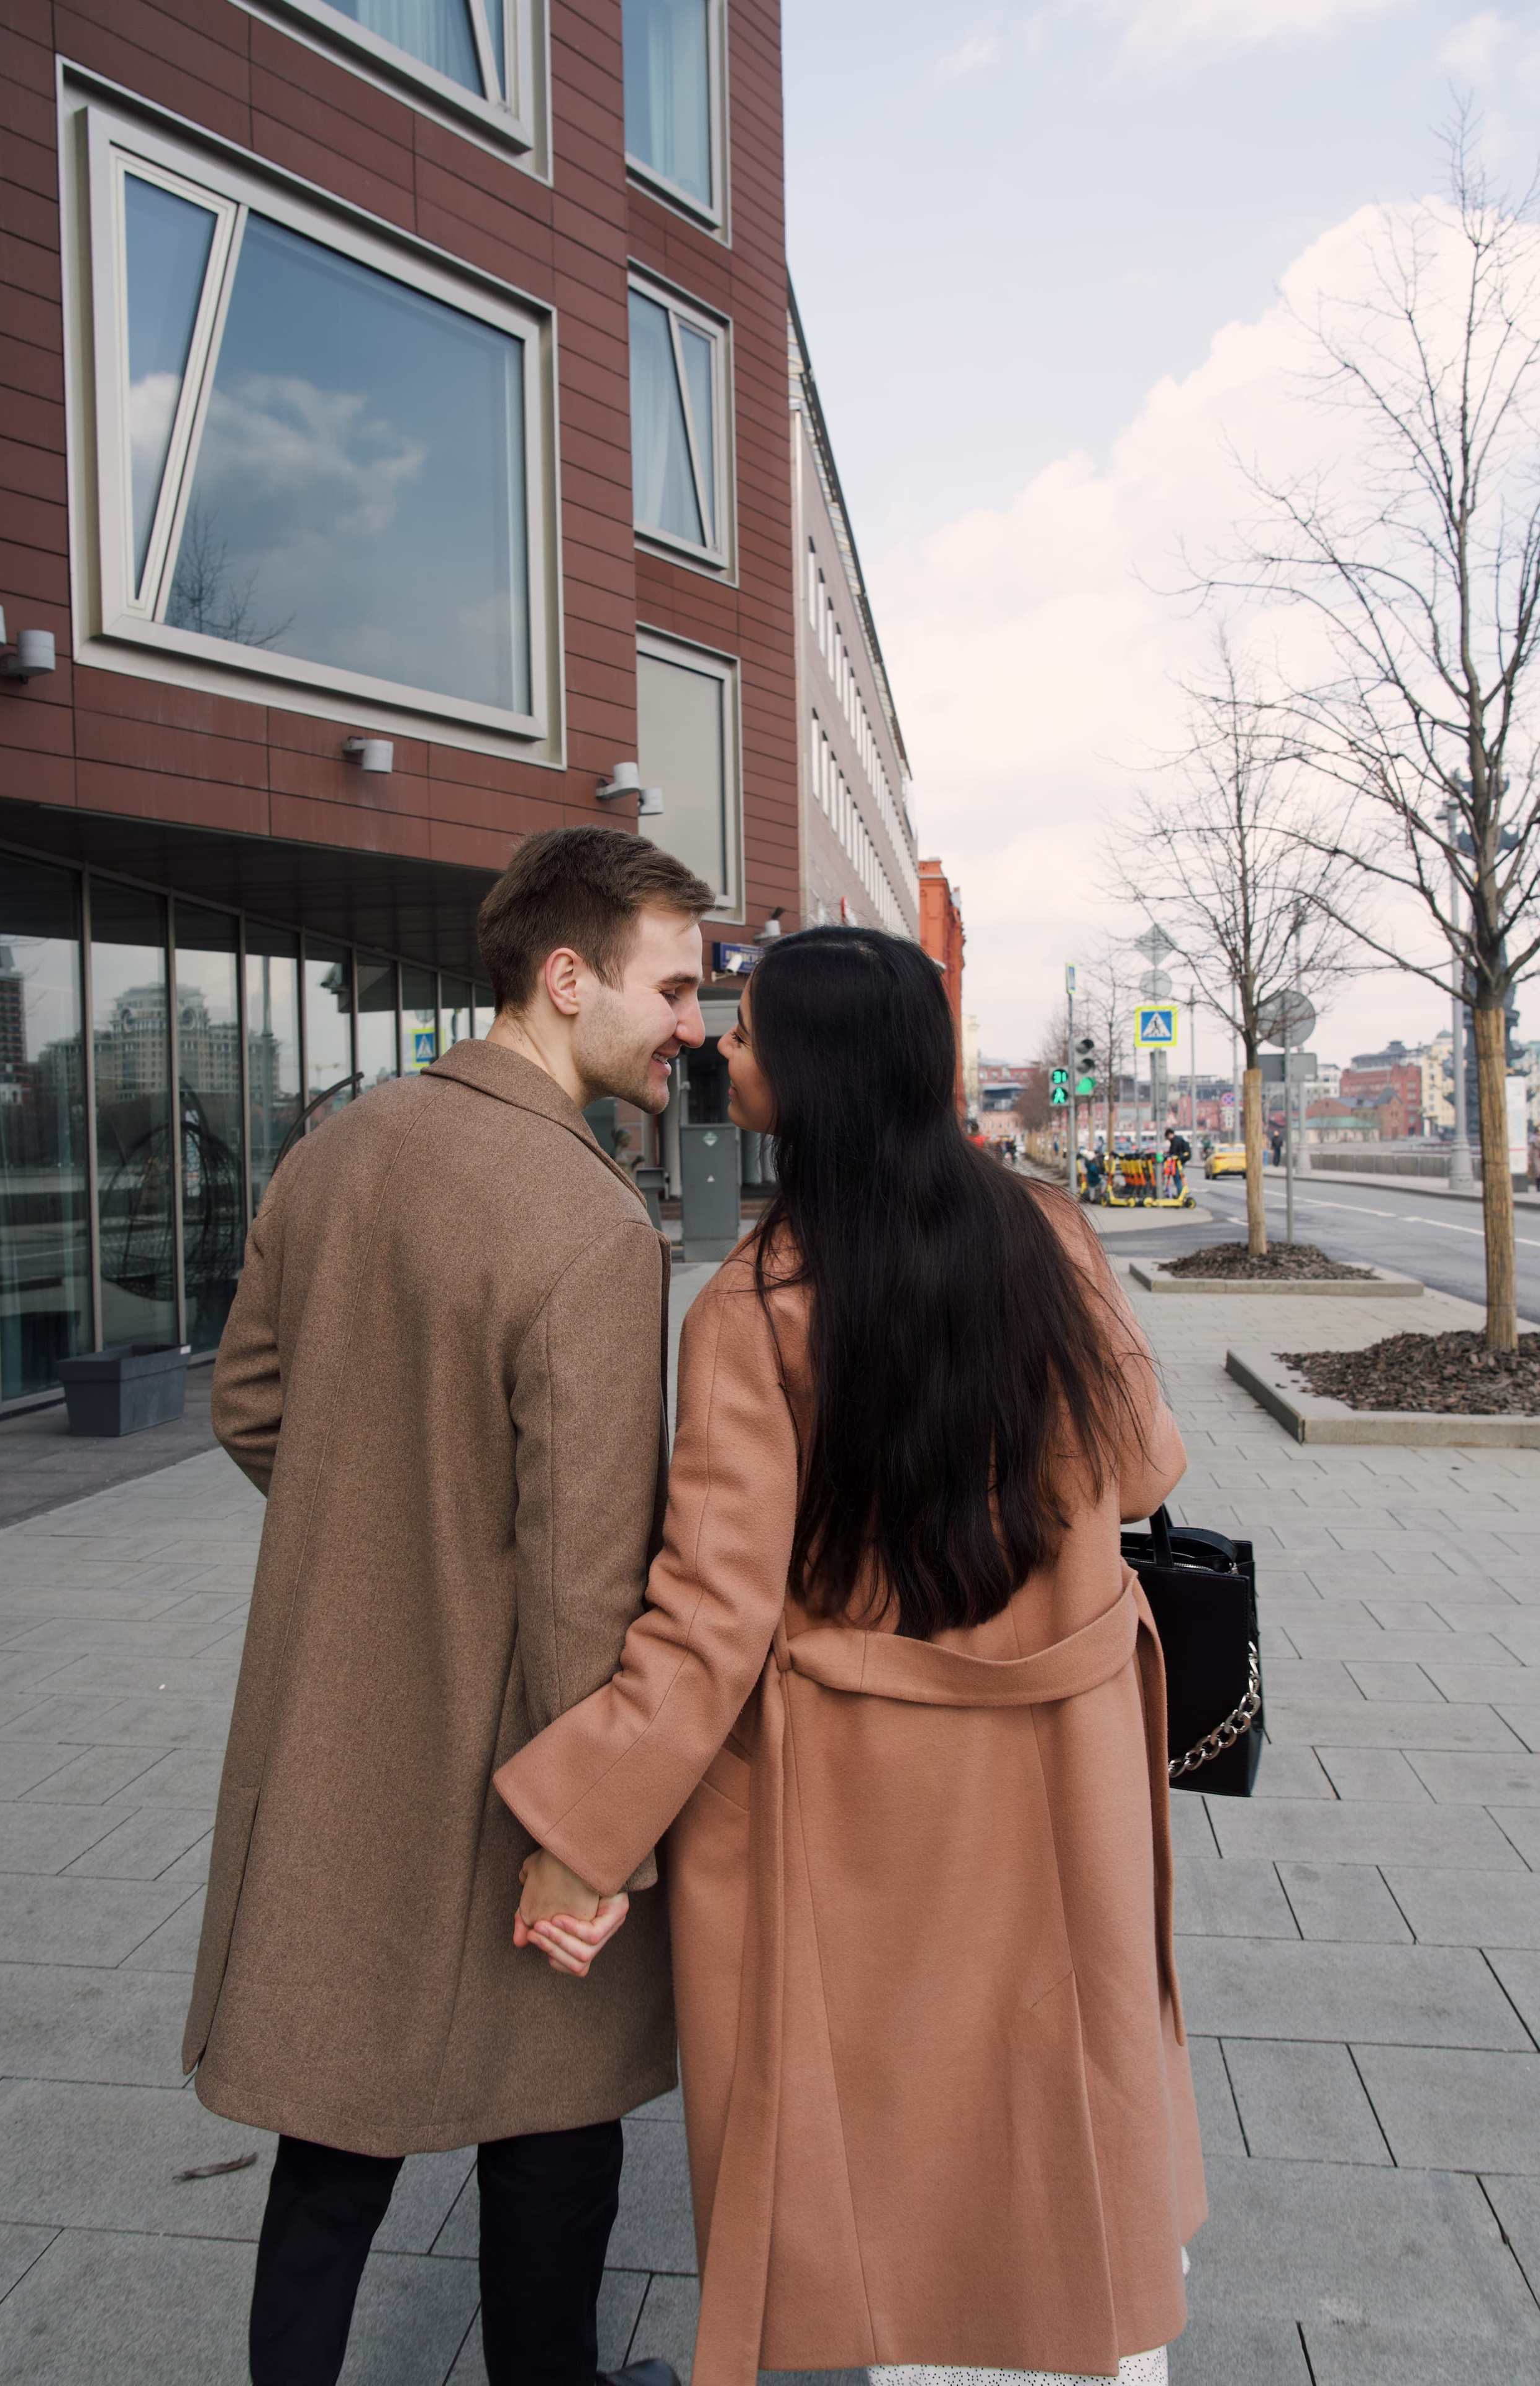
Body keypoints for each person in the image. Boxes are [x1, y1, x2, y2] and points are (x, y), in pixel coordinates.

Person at [498, 926, 1205, 2386]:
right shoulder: (1048, 1231)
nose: (718, 1048)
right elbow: (1143, 1470)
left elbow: (707, 1615)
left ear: (817, 1070)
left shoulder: (751, 1308)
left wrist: (578, 1835)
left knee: (901, 2163)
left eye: (748, 1033)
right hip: (1059, 1773)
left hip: (867, 1810)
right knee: (1057, 2111)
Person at [186, 826, 715, 2386]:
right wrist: (587, 1830)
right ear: (568, 979)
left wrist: (381, 1541)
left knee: (332, 2130)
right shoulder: (591, 1223)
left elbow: (247, 1404)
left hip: (340, 1730)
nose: (691, 1024)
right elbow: (578, 1571)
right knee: (548, 2130)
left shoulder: (336, 1148)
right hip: (512, 1762)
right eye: (672, 987)